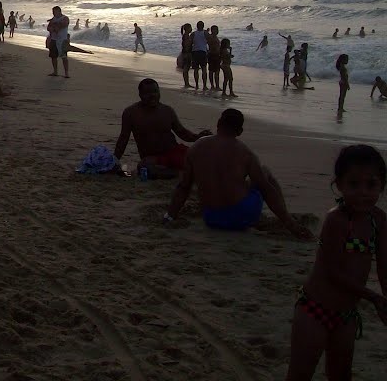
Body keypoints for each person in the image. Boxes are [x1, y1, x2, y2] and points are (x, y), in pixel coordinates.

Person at [285, 145, 387, 381]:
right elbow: (332, 272)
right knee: (300, 374)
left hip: (346, 315)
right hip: (314, 311)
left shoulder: (379, 221)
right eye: (353, 184)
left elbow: (383, 265)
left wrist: (385, 299)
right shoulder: (337, 220)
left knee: (341, 374)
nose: (362, 192)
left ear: (382, 185)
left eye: (371, 185)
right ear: (339, 184)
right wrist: (373, 297)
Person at [163, 108, 313, 238]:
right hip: (241, 218)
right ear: (239, 131)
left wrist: (170, 216)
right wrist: (290, 224)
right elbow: (266, 189)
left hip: (211, 218)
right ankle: (285, 220)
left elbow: (184, 187)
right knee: (264, 173)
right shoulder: (245, 153)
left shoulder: (196, 148)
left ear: (218, 124)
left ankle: (170, 216)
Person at [113, 79, 212, 178]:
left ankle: (183, 172)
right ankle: (180, 173)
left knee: (202, 161)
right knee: (144, 167)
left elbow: (182, 133)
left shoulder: (167, 111)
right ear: (140, 94)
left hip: (174, 152)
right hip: (153, 158)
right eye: (147, 93)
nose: (152, 95)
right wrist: (114, 161)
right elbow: (123, 139)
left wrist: (199, 137)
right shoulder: (131, 113)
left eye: (155, 92)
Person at [46, 5, 70, 78]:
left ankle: (66, 73)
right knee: (53, 56)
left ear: (59, 11)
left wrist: (54, 25)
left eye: (54, 12)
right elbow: (48, 28)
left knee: (64, 57)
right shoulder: (53, 18)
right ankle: (55, 71)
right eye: (52, 12)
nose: (53, 13)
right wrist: (53, 27)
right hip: (53, 39)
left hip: (62, 40)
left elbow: (63, 25)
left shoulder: (65, 18)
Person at [191, 21, 209, 90]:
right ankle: (204, 86)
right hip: (202, 51)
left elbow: (190, 42)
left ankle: (197, 85)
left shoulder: (193, 33)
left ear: (197, 26)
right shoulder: (205, 33)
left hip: (195, 51)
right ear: (203, 26)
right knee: (204, 69)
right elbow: (209, 40)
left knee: (196, 69)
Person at [178, 23, 193, 88]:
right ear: (187, 29)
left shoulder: (185, 35)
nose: (191, 29)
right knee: (186, 68)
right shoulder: (186, 36)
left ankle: (187, 83)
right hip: (187, 53)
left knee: (186, 69)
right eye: (190, 27)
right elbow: (187, 45)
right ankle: (187, 83)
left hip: (185, 53)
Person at [207, 25, 221, 92]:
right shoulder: (211, 37)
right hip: (213, 55)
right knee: (213, 71)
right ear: (212, 30)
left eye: (217, 30)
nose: (217, 31)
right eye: (216, 30)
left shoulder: (214, 37)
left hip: (216, 55)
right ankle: (213, 86)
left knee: (216, 71)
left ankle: (216, 86)